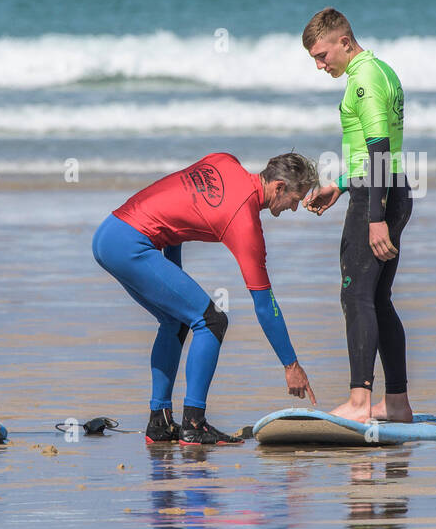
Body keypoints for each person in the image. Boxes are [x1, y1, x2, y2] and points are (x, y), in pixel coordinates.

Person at [93, 152, 318, 445]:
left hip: (109, 233)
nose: (295, 207)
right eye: (295, 199)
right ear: (278, 187)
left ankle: (159, 423)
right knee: (211, 321)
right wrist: (291, 366)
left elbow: (181, 206)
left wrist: (173, 273)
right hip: (132, 244)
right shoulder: (245, 224)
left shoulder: (224, 161)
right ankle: (194, 424)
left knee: (175, 320)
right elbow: (264, 304)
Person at [301, 8, 414, 424]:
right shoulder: (382, 70)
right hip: (389, 188)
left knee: (356, 296)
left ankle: (360, 403)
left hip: (378, 195)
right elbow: (378, 153)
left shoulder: (362, 81)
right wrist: (342, 184)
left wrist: (374, 215)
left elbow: (380, 146)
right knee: (378, 298)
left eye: (321, 54)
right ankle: (397, 403)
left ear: (344, 42)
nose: (319, 65)